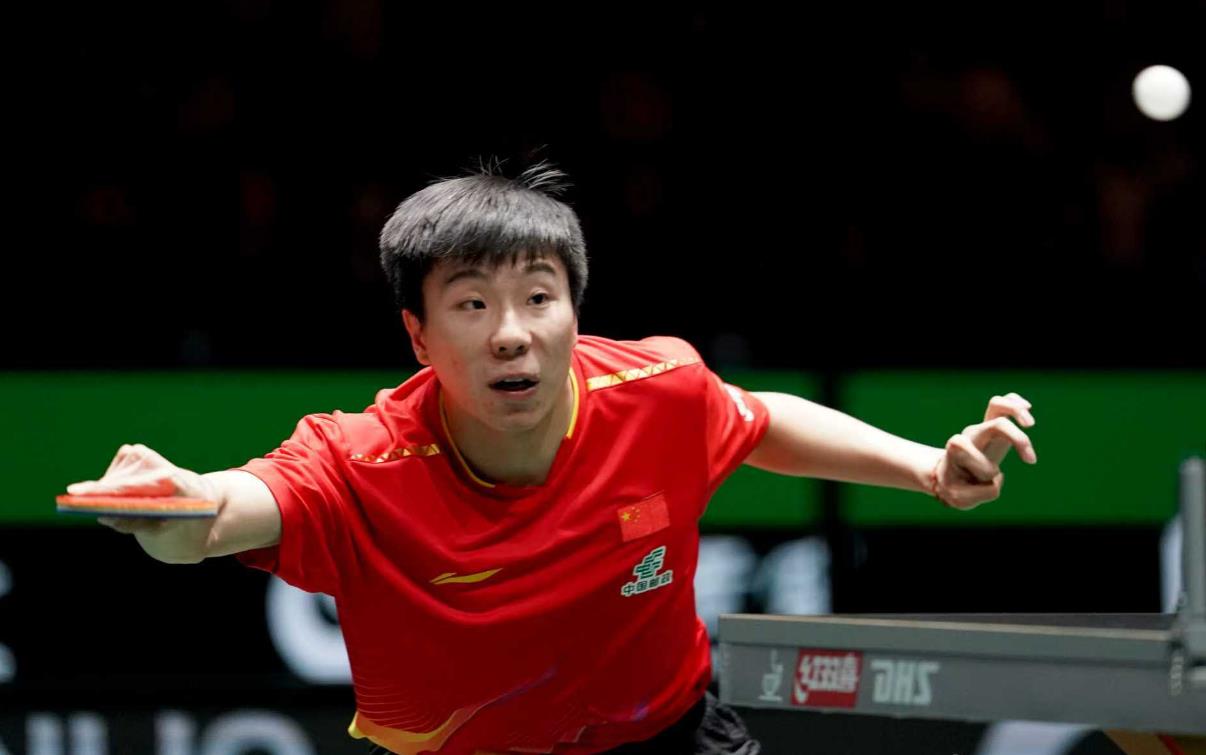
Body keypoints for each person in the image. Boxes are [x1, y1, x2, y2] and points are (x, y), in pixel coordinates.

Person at [67, 162, 1038, 755]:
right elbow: (233, 509)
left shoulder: (657, 389)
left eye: (538, 296)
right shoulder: (361, 459)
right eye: (471, 303)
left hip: (672, 734)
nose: (511, 332)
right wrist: (177, 505)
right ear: (418, 334)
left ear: (575, 310)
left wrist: (927, 466)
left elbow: (757, 417)